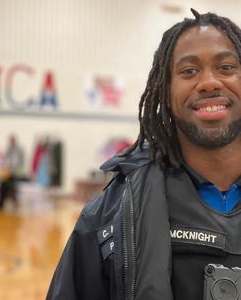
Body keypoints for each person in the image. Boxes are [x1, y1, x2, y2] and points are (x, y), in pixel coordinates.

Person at [47, 9, 241, 300]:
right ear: (165, 92)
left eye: (226, 67)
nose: (209, 82)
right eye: (189, 71)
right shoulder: (108, 214)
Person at [0, 134, 24, 210]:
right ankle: (1, 204)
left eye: (12, 141)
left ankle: (15, 204)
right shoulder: (7, 149)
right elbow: (3, 159)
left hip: (16, 173)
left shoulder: (19, 150)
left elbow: (21, 162)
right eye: (10, 141)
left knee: (15, 189)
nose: (11, 142)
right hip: (7, 172)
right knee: (3, 188)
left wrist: (17, 170)